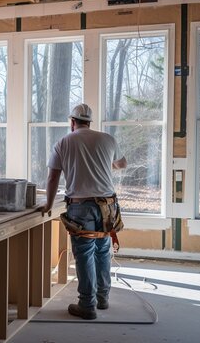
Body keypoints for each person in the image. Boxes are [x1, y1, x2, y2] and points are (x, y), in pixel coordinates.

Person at [40, 103, 127, 320]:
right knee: (102, 249)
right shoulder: (107, 139)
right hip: (107, 206)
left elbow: (53, 177)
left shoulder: (63, 142)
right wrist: (108, 162)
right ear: (90, 121)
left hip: (81, 207)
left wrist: (49, 205)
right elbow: (120, 164)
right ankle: (102, 297)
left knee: (85, 253)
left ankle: (87, 305)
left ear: (72, 122)